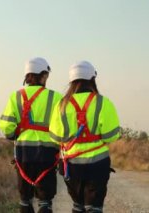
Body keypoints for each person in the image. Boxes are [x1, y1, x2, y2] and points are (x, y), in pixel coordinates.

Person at [49, 61, 121, 213]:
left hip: (71, 167)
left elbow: (55, 137)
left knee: (78, 205)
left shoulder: (61, 105)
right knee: (94, 208)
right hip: (97, 165)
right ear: (92, 79)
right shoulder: (103, 103)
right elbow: (111, 136)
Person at [0, 57, 62, 213]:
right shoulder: (56, 98)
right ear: (42, 75)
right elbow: (63, 129)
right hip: (48, 154)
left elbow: (7, 127)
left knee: (25, 200)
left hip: (23, 154)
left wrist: (15, 134)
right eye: (46, 75)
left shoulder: (16, 96)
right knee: (45, 201)